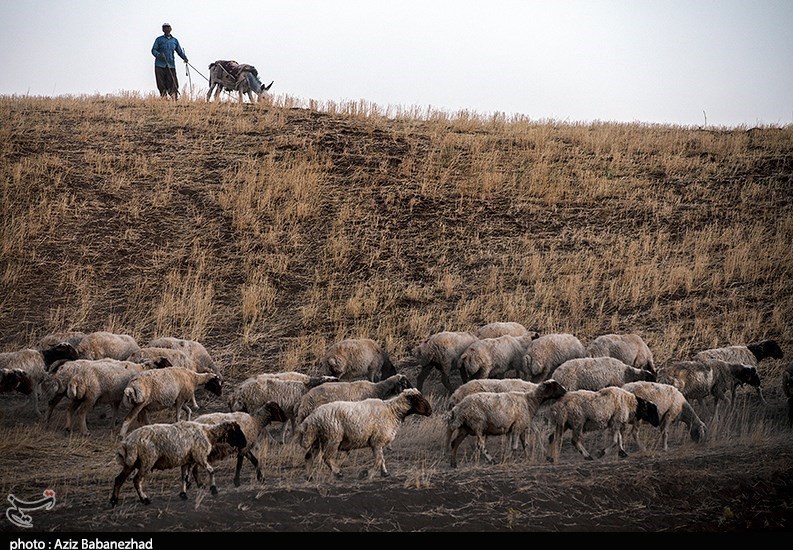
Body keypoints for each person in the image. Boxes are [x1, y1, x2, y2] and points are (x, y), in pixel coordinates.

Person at [151, 23, 188, 99]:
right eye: (165, 28)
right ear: (163, 30)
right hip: (160, 65)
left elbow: (179, 51)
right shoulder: (159, 39)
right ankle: (163, 97)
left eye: (168, 28)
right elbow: (153, 50)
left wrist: (184, 58)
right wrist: (158, 55)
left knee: (172, 81)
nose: (167, 29)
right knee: (161, 82)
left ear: (170, 29)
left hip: (171, 65)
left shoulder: (174, 41)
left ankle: (174, 97)